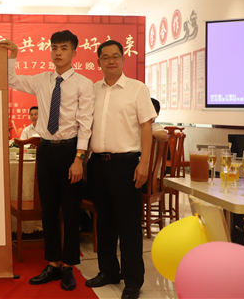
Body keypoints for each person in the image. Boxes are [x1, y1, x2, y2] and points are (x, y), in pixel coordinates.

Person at [0, 31, 94, 292]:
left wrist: (79, 158)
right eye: (54, 48)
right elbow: (11, 79)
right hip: (46, 150)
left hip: (70, 151)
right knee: (49, 210)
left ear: (74, 52)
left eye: (63, 48)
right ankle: (53, 263)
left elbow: (85, 124)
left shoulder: (83, 84)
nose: (58, 52)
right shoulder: (42, 80)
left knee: (71, 211)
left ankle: (69, 266)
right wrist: (14, 54)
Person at [85, 40, 157, 299]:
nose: (111, 61)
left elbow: (146, 127)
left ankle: (133, 280)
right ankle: (108, 271)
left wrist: (144, 162)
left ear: (123, 59)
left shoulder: (137, 89)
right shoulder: (92, 90)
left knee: (129, 224)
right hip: (97, 164)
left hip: (126, 164)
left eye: (116, 56)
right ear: (98, 62)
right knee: (104, 222)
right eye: (105, 57)